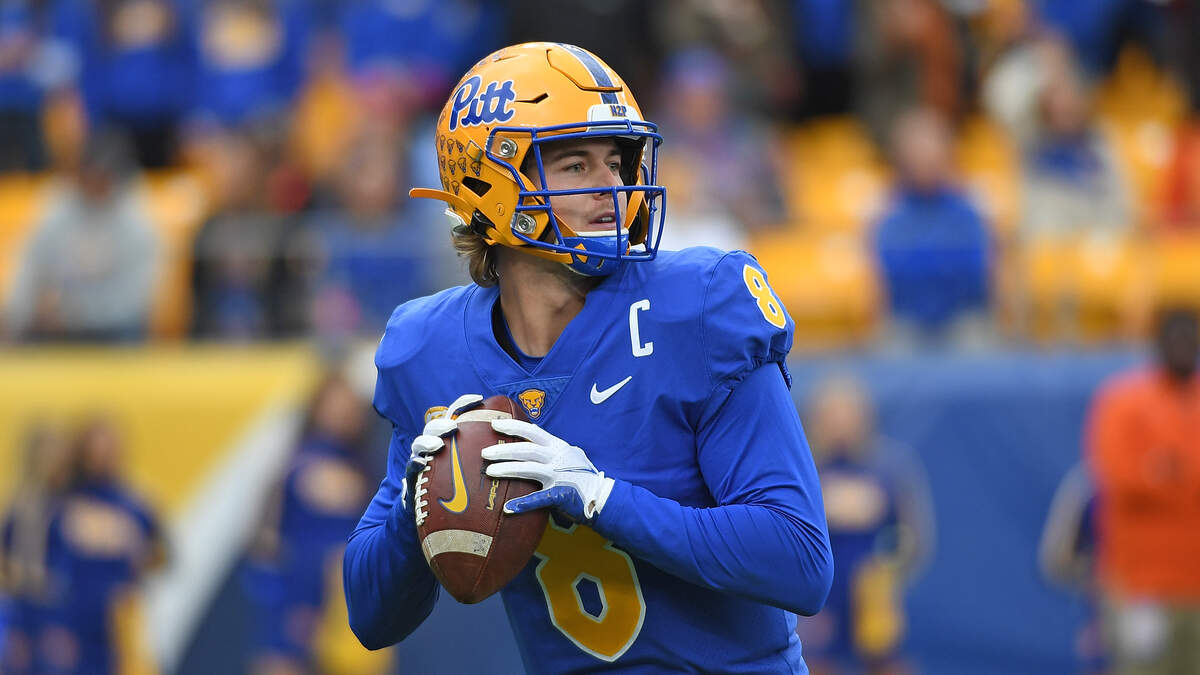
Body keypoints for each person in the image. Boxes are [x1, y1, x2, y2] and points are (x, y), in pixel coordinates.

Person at [344, 42, 834, 673]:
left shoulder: (698, 306)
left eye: (618, 161)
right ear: (489, 185)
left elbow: (800, 559)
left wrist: (601, 497)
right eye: (576, 165)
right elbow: (371, 617)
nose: (614, 188)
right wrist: (414, 508)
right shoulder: (431, 348)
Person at [1085, 307, 1200, 675]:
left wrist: (1170, 468)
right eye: (1175, 339)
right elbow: (1122, 477)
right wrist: (1183, 477)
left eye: (1190, 339)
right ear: (1158, 344)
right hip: (1142, 583)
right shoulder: (1124, 401)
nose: (1183, 347)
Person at [795, 375, 935, 675]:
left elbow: (914, 537)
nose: (840, 423)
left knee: (885, 660)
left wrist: (888, 569)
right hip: (822, 595)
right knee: (814, 663)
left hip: (873, 593)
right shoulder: (804, 470)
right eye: (832, 414)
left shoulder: (890, 469)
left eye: (848, 414)